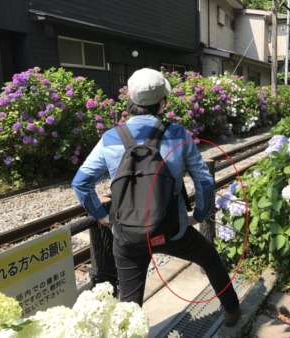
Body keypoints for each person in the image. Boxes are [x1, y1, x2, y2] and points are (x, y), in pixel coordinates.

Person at [72, 68, 241, 327]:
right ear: (162, 101)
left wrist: (103, 216)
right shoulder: (178, 134)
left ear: (130, 98)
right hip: (172, 229)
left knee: (129, 302)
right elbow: (204, 180)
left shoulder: (111, 138)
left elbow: (81, 184)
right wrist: (197, 214)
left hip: (128, 235)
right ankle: (231, 311)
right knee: (210, 259)